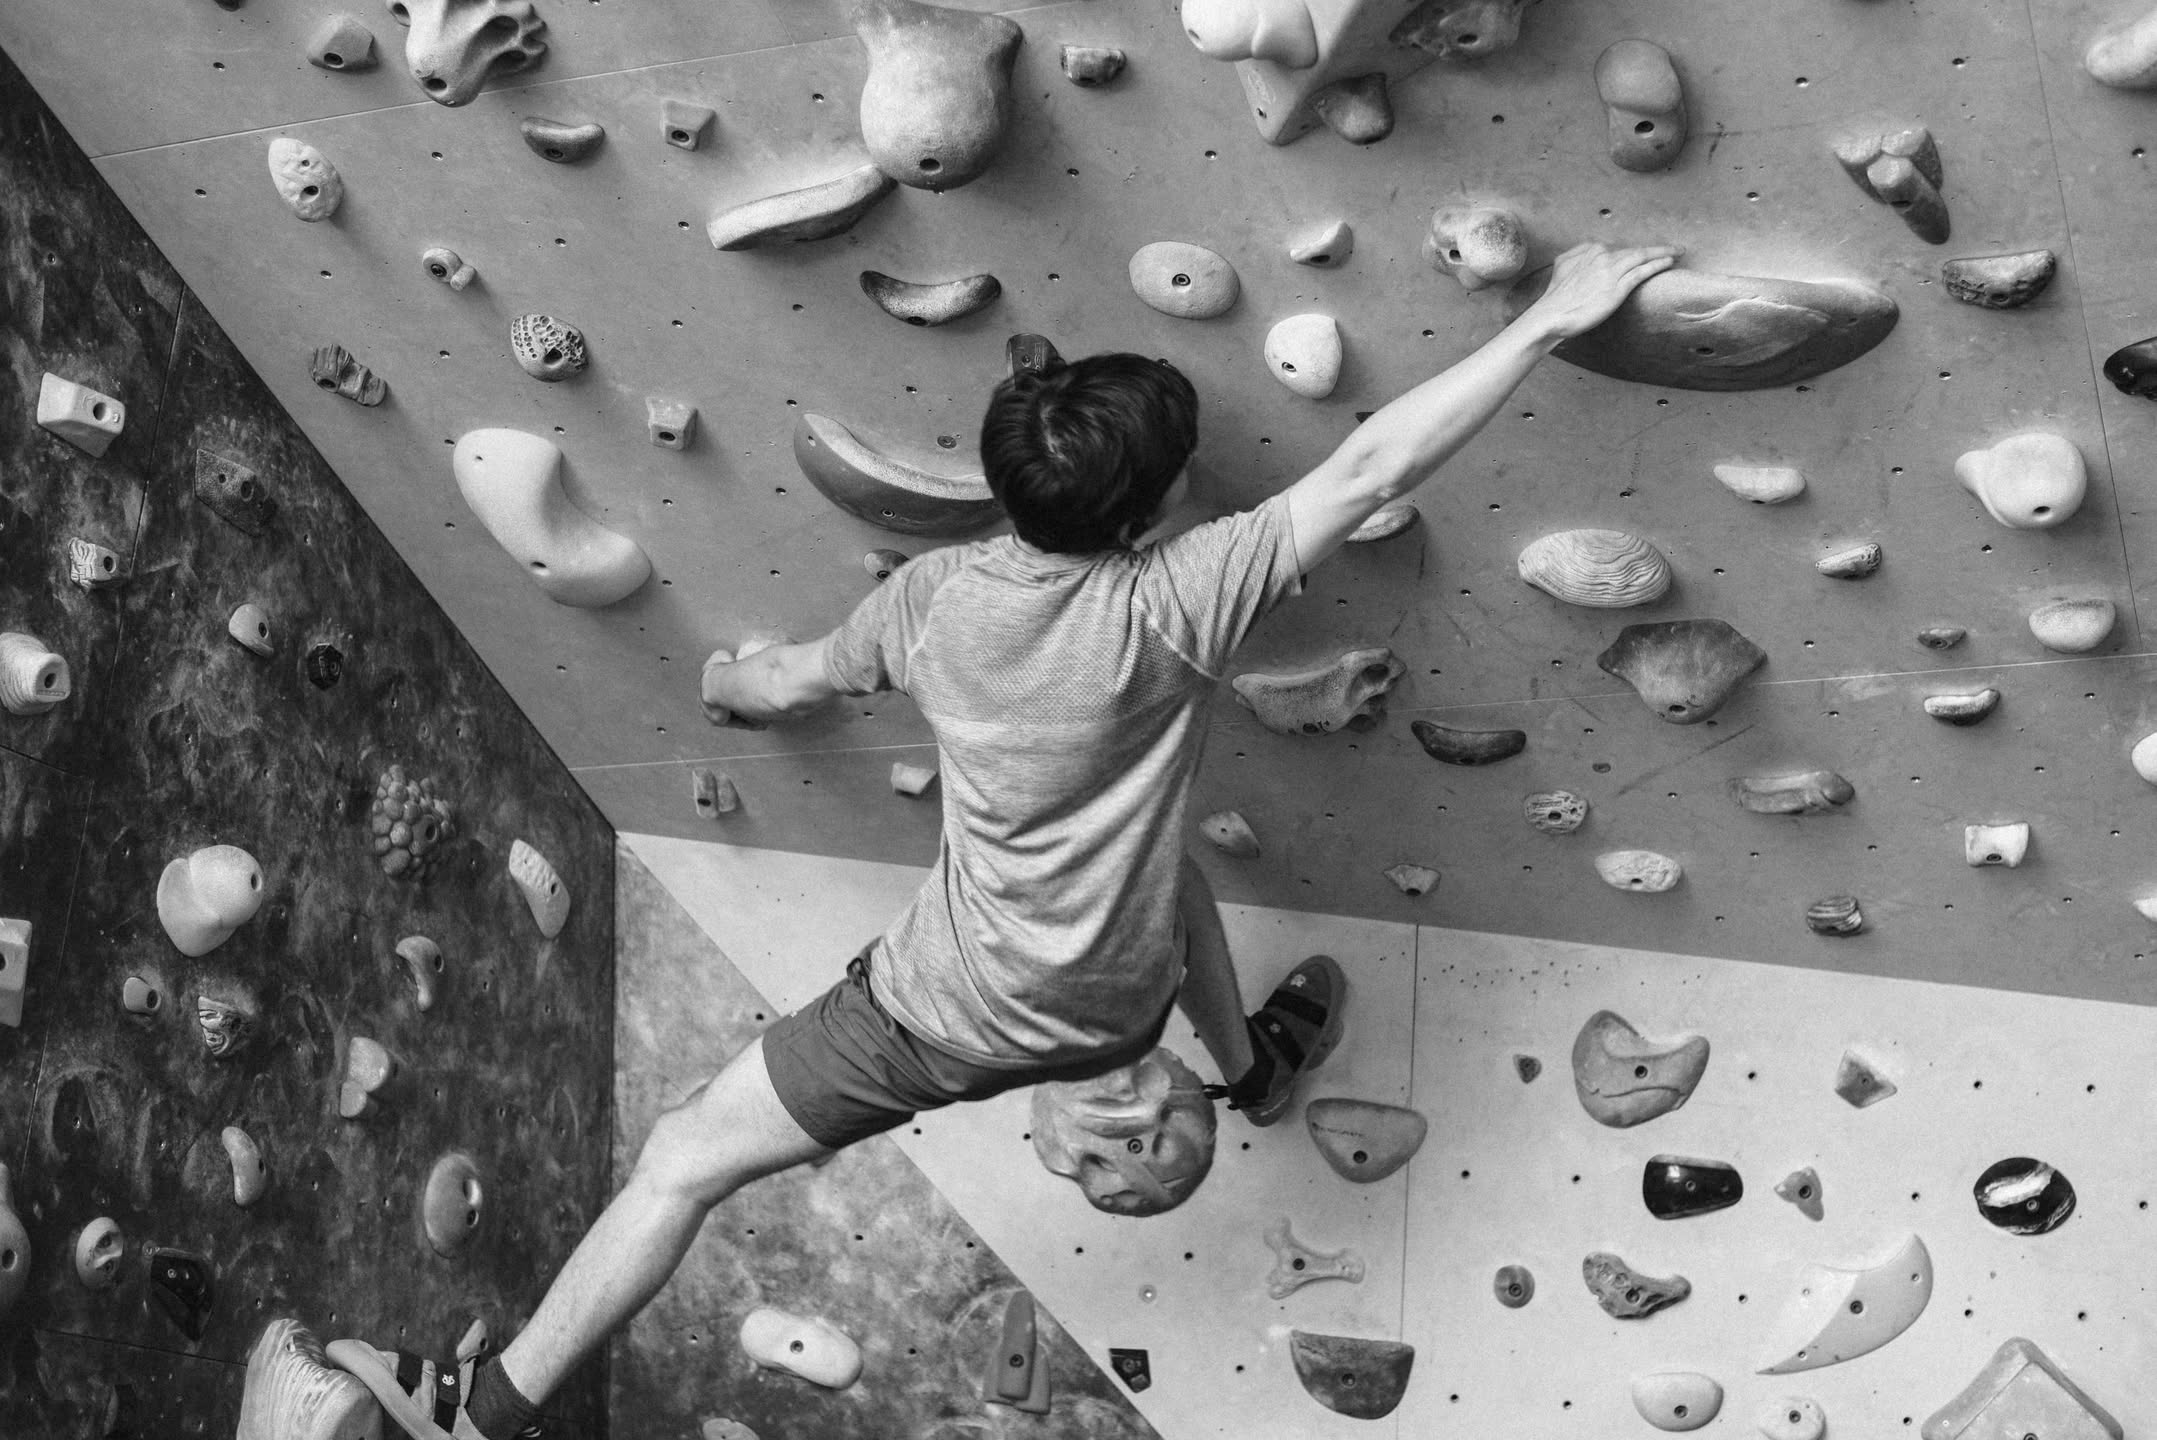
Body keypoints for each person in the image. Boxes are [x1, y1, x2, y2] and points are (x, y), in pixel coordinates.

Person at [259, 238, 1677, 1440]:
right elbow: (1371, 465)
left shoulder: (930, 600)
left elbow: (793, 681)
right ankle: (1245, 1071)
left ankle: (484, 1410)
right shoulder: (1177, 598)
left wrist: (725, 683)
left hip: (943, 1018)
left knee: (685, 1155)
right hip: (1116, 1003)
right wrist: (1546, 318)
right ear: (1144, 515)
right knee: (1164, 869)